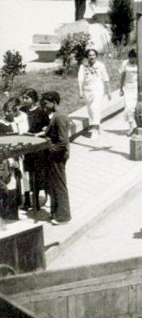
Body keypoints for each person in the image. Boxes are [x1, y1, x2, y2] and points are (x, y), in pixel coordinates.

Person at [39, 92, 71, 225]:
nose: (44, 107)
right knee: (53, 185)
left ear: (54, 102)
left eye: (46, 104)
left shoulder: (60, 117)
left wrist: (50, 146)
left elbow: (63, 142)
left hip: (57, 156)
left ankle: (63, 216)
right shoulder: (56, 116)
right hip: (54, 156)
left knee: (59, 185)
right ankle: (56, 213)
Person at [76, 47, 110, 139]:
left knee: (95, 107)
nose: (91, 57)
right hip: (87, 90)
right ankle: (98, 126)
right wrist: (80, 91)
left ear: (96, 56)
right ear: (87, 56)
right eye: (89, 55)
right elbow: (80, 79)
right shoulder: (83, 66)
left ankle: (94, 130)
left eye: (93, 55)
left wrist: (109, 92)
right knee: (90, 110)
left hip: (98, 89)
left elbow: (105, 78)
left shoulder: (101, 65)